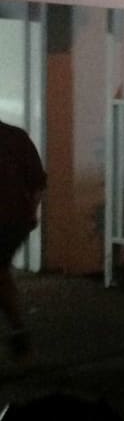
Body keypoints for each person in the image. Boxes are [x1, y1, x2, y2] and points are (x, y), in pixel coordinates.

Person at [0, 120, 46, 364]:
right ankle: (19, 334)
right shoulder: (15, 136)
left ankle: (19, 335)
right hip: (14, 221)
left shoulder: (14, 137)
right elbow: (38, 181)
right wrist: (31, 212)